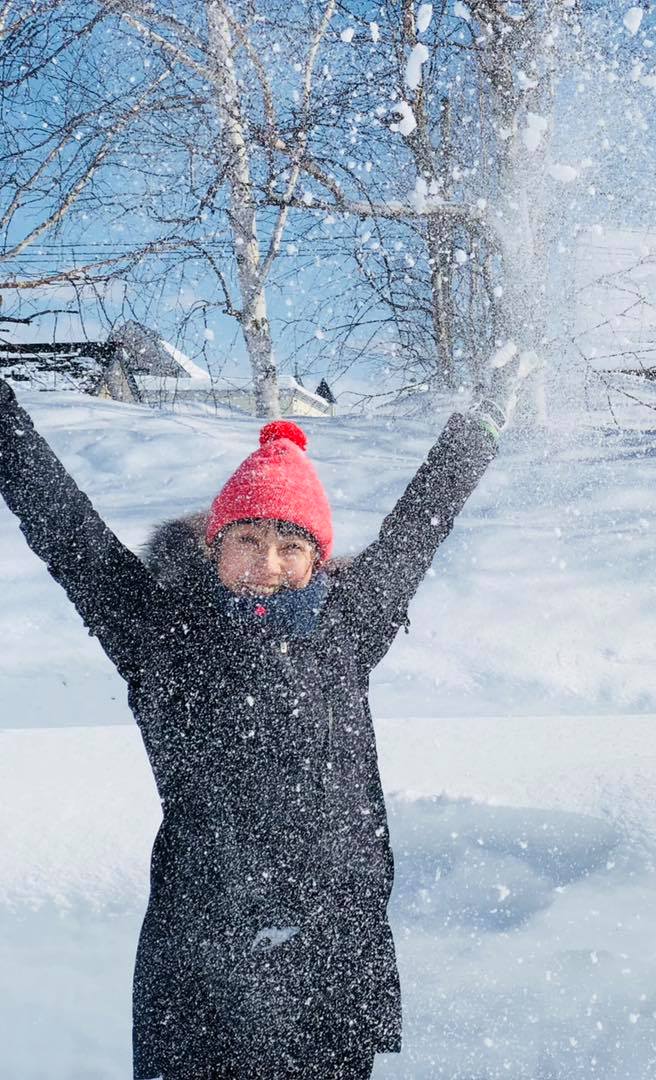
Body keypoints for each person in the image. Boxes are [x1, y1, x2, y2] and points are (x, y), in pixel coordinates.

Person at [0, 376, 509, 1079]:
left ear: (316, 560)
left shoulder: (347, 626)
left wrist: (480, 426)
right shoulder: (159, 633)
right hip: (201, 964)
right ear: (214, 547)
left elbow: (422, 521)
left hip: (330, 961)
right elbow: (66, 530)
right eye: (248, 538)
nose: (267, 563)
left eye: (290, 544)